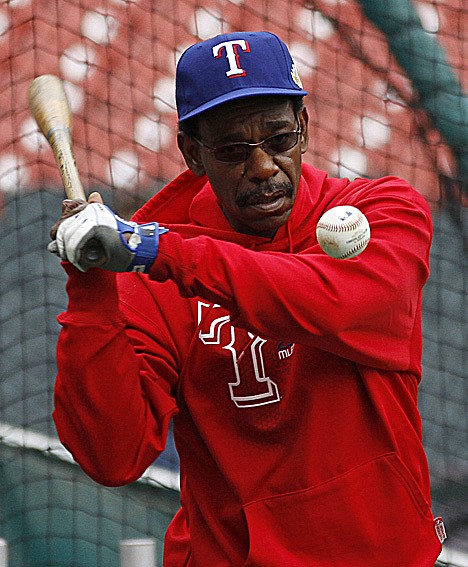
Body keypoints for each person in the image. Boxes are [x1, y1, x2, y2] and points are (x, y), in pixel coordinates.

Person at [49, 31, 445, 566]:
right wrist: (91, 288)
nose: (262, 169)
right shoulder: (145, 263)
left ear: (304, 128)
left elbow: (333, 303)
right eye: (234, 150)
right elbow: (111, 456)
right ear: (192, 153)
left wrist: (158, 252)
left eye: (279, 140)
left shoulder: (385, 210)